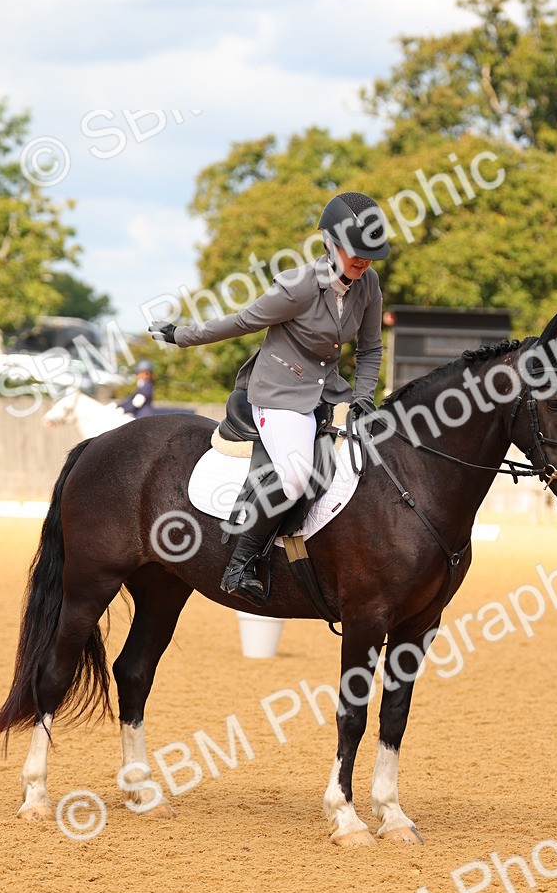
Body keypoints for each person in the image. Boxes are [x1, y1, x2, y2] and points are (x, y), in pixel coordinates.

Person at [150, 191, 390, 603]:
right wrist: (183, 336)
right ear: (330, 244)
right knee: (295, 476)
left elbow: (370, 350)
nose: (364, 261)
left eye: (370, 254)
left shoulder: (368, 285)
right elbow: (242, 321)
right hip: (279, 393)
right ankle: (240, 564)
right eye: (356, 252)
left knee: (373, 458)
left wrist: (365, 397)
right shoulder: (297, 287)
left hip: (329, 392)